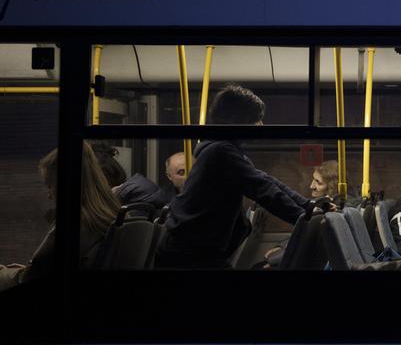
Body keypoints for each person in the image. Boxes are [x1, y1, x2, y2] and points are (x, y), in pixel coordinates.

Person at [156, 84, 314, 269]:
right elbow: (263, 190)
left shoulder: (225, 151)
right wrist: (303, 219)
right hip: (187, 254)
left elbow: (268, 181)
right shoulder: (220, 152)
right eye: (257, 119)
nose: (261, 125)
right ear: (240, 121)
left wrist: (307, 206)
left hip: (196, 249)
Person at [0, 142, 120, 291]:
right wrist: (27, 270)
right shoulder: (104, 216)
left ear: (65, 182)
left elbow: (31, 278)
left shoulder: (73, 223)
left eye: (50, 185)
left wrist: (9, 273)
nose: (49, 195)